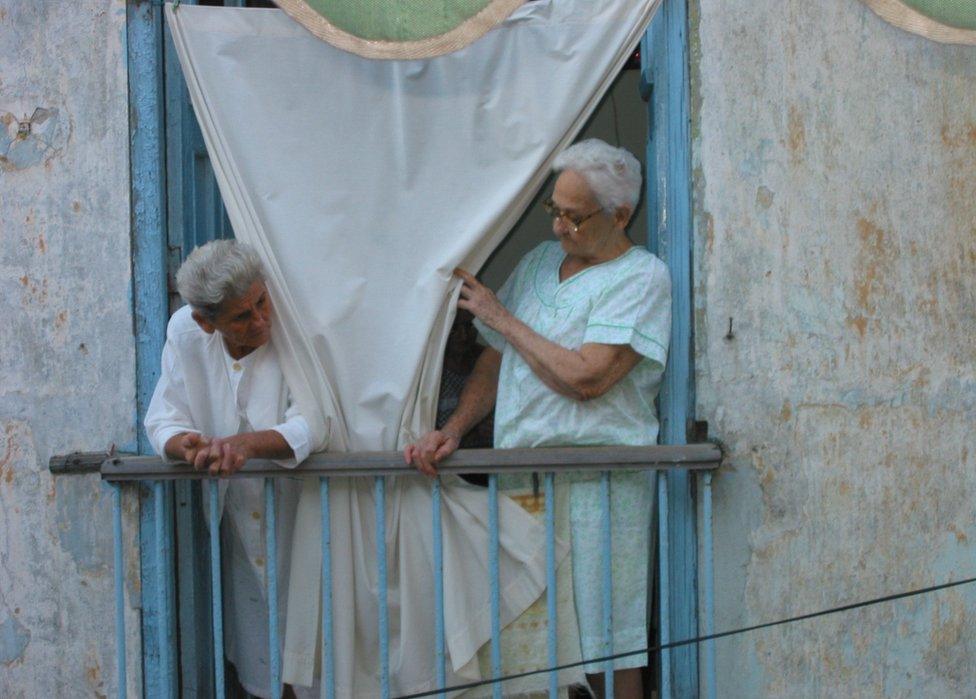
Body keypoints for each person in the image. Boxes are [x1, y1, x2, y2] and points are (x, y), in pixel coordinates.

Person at [405, 138, 671, 699]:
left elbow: (587, 379)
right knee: (529, 639)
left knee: (606, 643)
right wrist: (453, 428)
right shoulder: (537, 263)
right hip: (523, 482)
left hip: (597, 488)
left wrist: (504, 318)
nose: (557, 229)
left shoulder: (642, 278)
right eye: (555, 210)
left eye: (573, 218)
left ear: (620, 215)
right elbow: (494, 358)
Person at [145, 239, 312, 699]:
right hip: (238, 516)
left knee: (318, 647)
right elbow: (165, 418)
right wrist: (189, 447)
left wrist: (245, 445)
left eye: (261, 303)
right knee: (261, 650)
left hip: (306, 511)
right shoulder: (184, 332)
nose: (261, 320)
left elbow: (315, 421)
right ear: (205, 321)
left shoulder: (292, 320)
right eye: (242, 317)